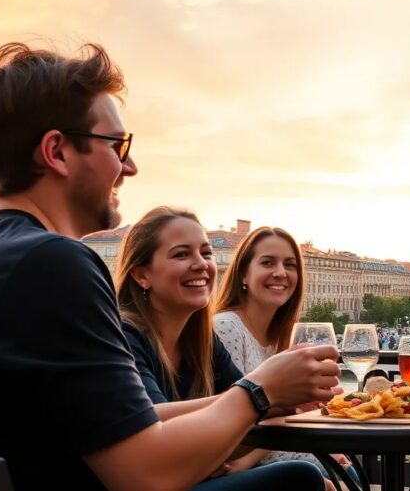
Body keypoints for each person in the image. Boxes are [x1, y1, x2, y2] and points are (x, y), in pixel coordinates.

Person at [0, 43, 339, 491]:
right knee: (299, 480)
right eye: (117, 145)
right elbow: (144, 474)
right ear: (56, 151)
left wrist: (256, 393)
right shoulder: (52, 263)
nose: (129, 166)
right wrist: (258, 393)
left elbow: (128, 421)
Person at [115, 207, 328, 489]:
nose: (201, 264)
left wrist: (279, 399)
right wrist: (260, 393)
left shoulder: (203, 341)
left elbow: (246, 420)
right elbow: (150, 422)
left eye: (206, 253)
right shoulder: (124, 336)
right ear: (142, 275)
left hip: (189, 478)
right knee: (302, 477)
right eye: (181, 254)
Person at [212, 226, 349, 478]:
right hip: (265, 468)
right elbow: (232, 425)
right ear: (243, 274)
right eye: (267, 263)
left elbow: (280, 415)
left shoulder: (282, 335)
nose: (280, 273)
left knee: (348, 471)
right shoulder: (227, 328)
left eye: (290, 265)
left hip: (290, 455)